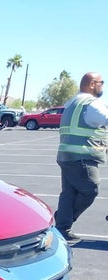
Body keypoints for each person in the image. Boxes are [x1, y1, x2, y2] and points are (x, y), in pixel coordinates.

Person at [55, 72, 108, 245]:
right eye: (101, 82)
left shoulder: (72, 103)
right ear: (92, 84)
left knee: (68, 193)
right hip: (82, 156)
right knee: (90, 189)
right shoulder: (91, 104)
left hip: (66, 155)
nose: (103, 86)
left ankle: (62, 228)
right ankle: (63, 219)